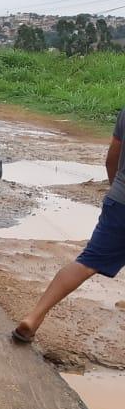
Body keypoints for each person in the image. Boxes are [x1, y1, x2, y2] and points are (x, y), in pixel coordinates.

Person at [12, 106, 125, 343]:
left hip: (120, 201)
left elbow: (111, 157)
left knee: (87, 262)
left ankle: (33, 317)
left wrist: (116, 188)